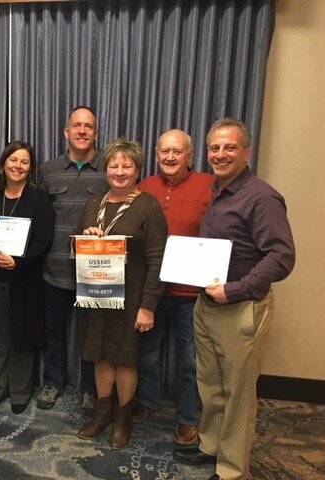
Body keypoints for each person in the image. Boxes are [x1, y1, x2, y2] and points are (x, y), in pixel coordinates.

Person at [173, 119, 295, 480]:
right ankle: (211, 446)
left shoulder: (261, 196)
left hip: (241, 307)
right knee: (211, 386)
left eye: (229, 148)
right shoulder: (218, 191)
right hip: (207, 304)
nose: (220, 154)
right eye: (215, 148)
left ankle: (231, 469)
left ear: (246, 152)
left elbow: (282, 256)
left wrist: (236, 289)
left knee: (238, 393)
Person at [76, 138, 167, 450]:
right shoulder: (93, 204)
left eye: (126, 165)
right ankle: (102, 414)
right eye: (114, 165)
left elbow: (158, 261)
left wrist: (148, 306)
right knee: (101, 355)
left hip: (132, 299)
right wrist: (85, 239)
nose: (119, 171)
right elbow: (74, 250)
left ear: (138, 169)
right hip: (96, 295)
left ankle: (122, 419)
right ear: (106, 169)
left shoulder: (149, 206)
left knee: (125, 359)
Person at [133, 129, 213, 445]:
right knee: (148, 352)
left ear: (189, 155)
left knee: (190, 358)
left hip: (191, 292)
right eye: (164, 151)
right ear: (156, 154)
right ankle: (149, 401)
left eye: (177, 152)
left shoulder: (209, 185)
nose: (170, 157)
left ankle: (188, 417)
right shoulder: (145, 187)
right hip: (152, 289)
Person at [0, 141, 55, 414]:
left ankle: (20, 392)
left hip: (25, 281)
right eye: (13, 160)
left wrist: (17, 262)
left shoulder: (38, 199)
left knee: (22, 340)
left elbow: (44, 241)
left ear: (30, 169)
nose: (17, 166)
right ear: (3, 164)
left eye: (24, 162)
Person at [37, 106, 108, 413]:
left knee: (92, 334)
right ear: (66, 132)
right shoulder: (48, 170)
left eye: (88, 126)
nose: (82, 131)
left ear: (96, 133)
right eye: (76, 126)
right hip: (54, 269)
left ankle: (90, 389)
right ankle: (53, 382)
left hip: (96, 271)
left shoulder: (112, 168)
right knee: (55, 332)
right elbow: (39, 216)